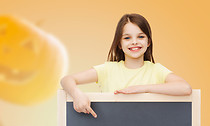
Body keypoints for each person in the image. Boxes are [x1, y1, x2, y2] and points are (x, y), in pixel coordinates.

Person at [60, 13, 192, 118]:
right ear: (119, 44)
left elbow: (185, 88)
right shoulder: (108, 70)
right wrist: (77, 94)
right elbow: (67, 80)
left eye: (141, 37)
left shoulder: (156, 70)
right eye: (127, 38)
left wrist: (141, 89)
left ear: (148, 42)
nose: (134, 42)